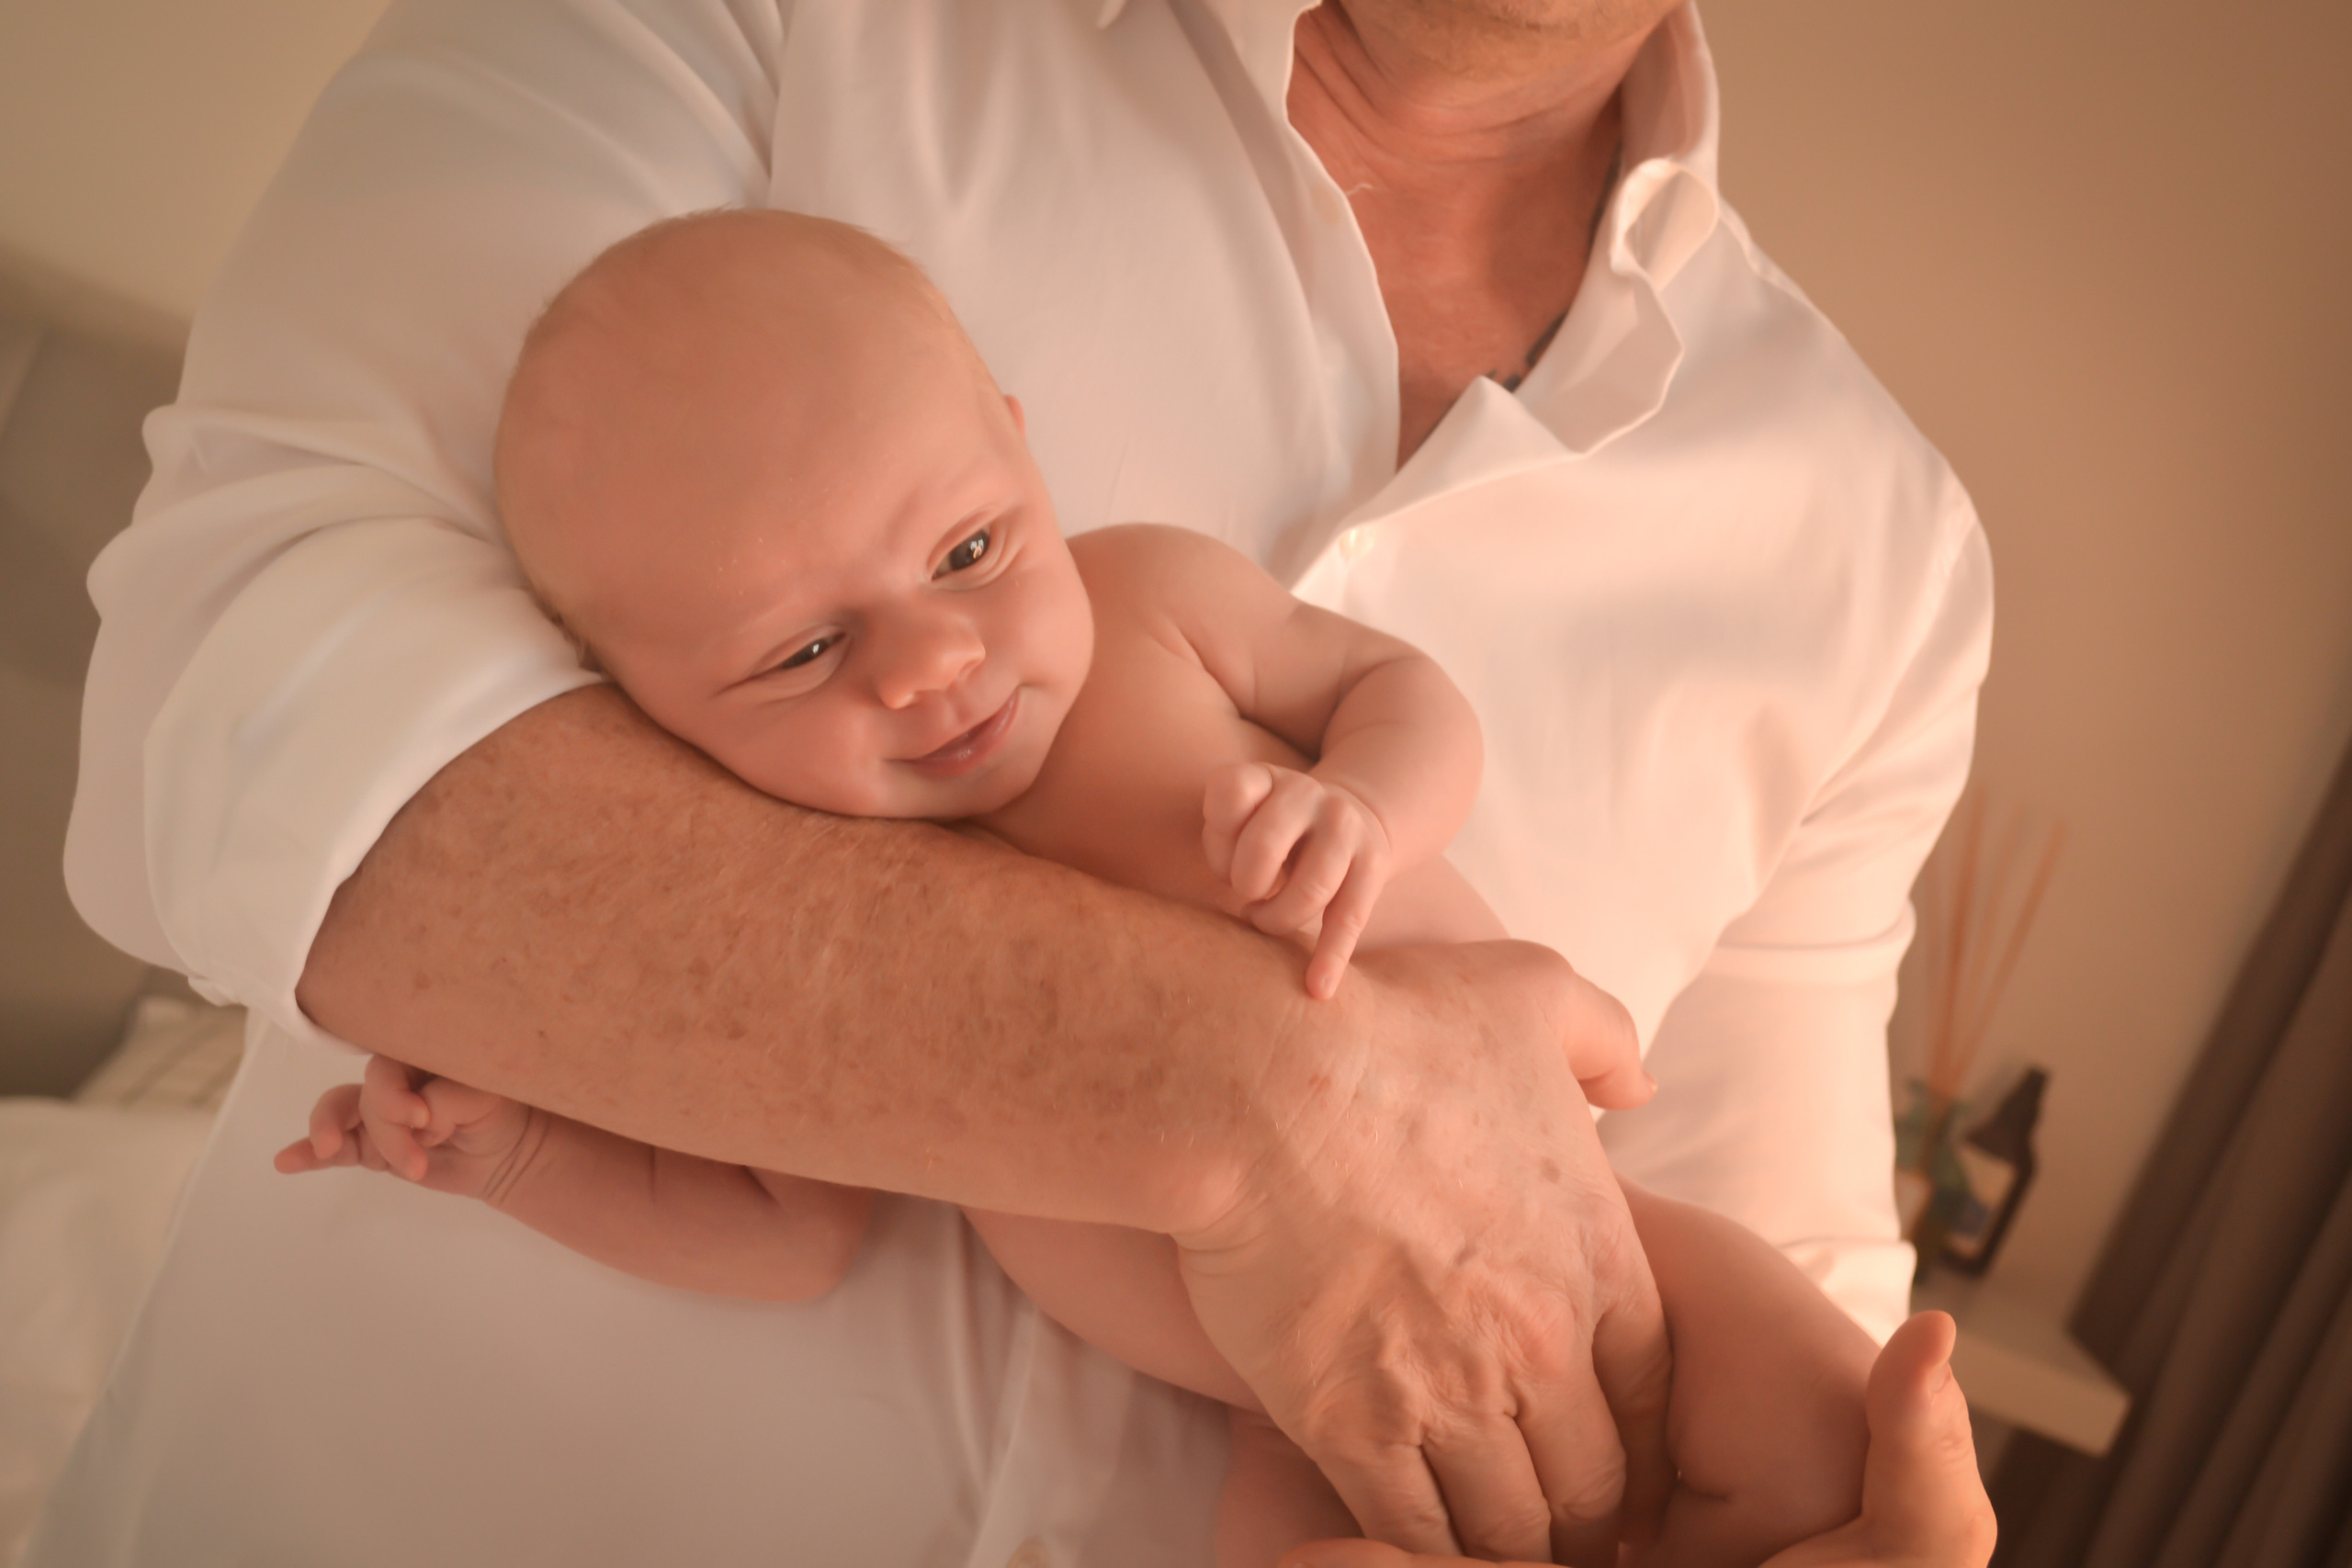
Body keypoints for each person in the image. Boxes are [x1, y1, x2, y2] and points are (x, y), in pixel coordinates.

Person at [41, 1, 1995, 1563]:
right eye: (801, 652)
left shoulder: (1868, 548)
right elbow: (257, 711)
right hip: (1228, 1432)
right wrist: (1236, 1088)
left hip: (1474, 1354)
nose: (931, 663)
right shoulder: (772, 28)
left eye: (975, 550)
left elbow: (1741, 1193)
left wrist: (1366, 819)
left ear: (1020, 449)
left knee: (1806, 1381)